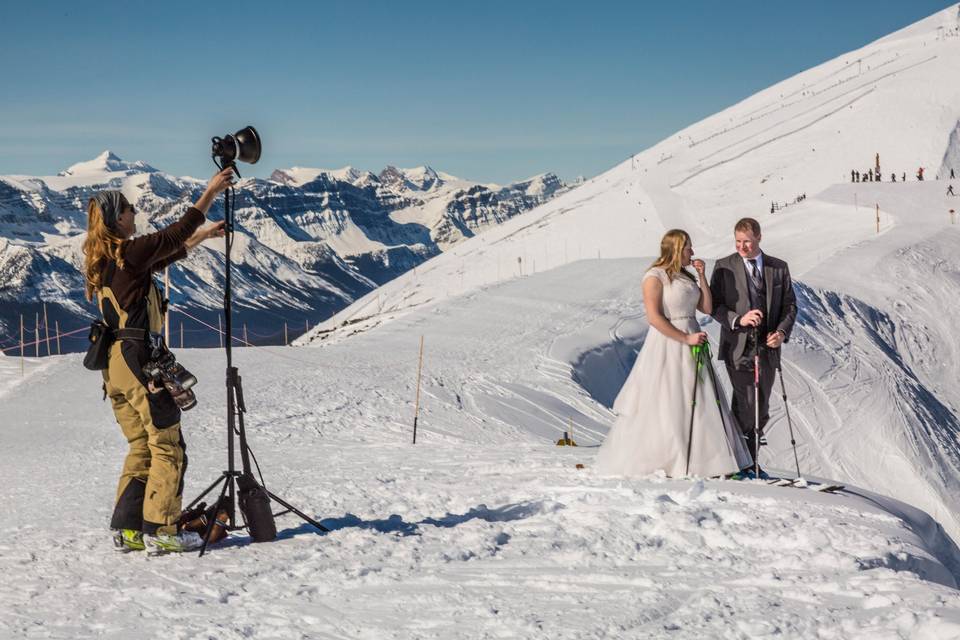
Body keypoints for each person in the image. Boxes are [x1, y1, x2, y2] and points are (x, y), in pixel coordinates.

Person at [82, 168, 233, 553]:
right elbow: (172, 235)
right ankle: (163, 531)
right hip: (139, 363)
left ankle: (129, 530)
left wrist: (204, 236)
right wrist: (210, 191)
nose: (136, 213)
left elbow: (167, 254)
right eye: (130, 209)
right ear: (118, 218)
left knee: (141, 447)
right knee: (167, 444)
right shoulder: (129, 252)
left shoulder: (108, 263)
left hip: (114, 369)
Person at [596, 230, 752, 478]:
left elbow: (707, 307)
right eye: (688, 248)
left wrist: (701, 276)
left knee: (700, 397)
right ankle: (670, 457)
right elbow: (654, 317)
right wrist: (684, 338)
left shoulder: (685, 275)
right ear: (677, 249)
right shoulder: (654, 276)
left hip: (693, 334)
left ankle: (706, 460)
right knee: (669, 397)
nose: (692, 252)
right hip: (669, 341)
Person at [709, 218, 797, 474]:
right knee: (746, 403)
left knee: (762, 407)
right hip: (737, 346)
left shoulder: (778, 268)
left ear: (759, 237)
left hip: (768, 348)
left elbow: (790, 305)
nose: (742, 246)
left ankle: (749, 459)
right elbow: (714, 306)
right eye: (737, 241)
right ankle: (742, 462)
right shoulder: (724, 266)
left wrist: (781, 332)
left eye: (747, 241)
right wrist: (738, 319)